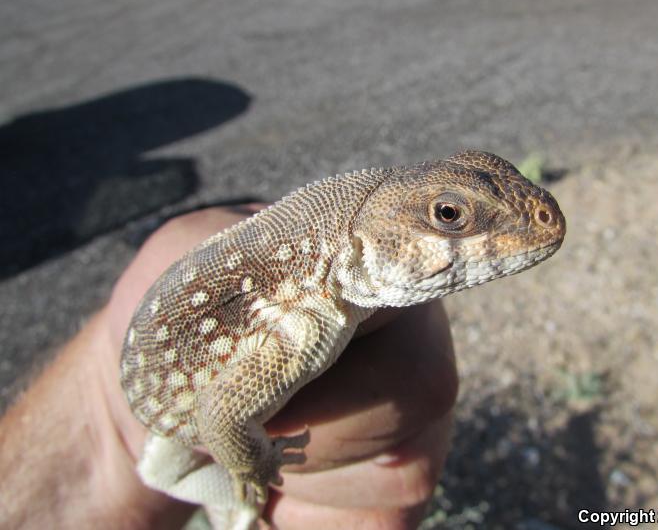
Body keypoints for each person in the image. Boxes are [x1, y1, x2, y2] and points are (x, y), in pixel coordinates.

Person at [0, 206, 458, 529]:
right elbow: (220, 416)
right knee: (195, 487)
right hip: (169, 426)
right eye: (450, 217)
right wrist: (257, 464)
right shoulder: (306, 321)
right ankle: (236, 513)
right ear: (360, 244)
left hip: (152, 417)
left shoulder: (316, 299)